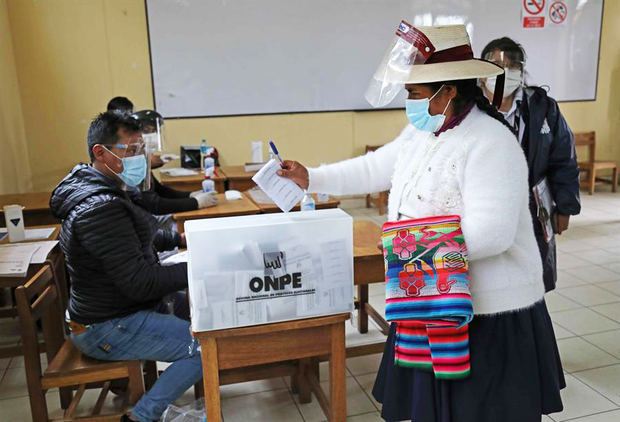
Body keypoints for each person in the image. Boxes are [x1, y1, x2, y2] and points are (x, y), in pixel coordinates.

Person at [279, 24, 564, 422]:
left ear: (447, 92)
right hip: (432, 296)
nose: (408, 104)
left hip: (488, 314)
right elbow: (375, 167)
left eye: (414, 94)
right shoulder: (422, 132)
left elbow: (492, 233)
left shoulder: (490, 142)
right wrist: (313, 178)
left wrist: (407, 247)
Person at [50, 111, 203, 422]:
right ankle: (141, 417)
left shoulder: (101, 186)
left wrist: (181, 239)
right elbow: (142, 283)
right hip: (105, 325)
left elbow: (142, 235)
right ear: (100, 153)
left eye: (141, 149)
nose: (140, 158)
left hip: (116, 309)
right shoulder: (100, 208)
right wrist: (199, 265)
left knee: (198, 311)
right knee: (202, 347)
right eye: (131, 150)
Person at [479, 37, 581, 292]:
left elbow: (564, 161)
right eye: (496, 66)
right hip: (485, 210)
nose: (505, 72)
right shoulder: (469, 109)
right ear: (481, 74)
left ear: (522, 73)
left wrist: (565, 208)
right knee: (489, 284)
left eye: (513, 66)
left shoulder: (543, 108)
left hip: (533, 210)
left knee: (530, 282)